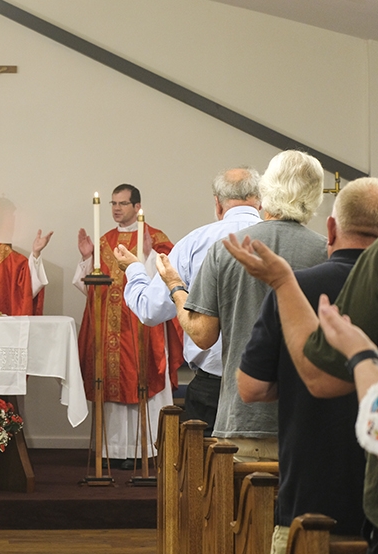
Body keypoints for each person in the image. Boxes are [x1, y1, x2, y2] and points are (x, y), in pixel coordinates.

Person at [231, 178, 378, 552]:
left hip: (313, 494)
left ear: (331, 229)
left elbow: (256, 387)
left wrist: (284, 283)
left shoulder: (300, 288)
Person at [157, 150, 327, 461]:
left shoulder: (226, 249)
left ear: (267, 193)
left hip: (242, 415)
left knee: (237, 507)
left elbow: (203, 334)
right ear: (315, 195)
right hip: (309, 420)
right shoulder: (327, 253)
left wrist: (175, 287)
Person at [115, 167, 262, 435]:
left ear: (217, 204)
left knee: (203, 470)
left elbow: (150, 309)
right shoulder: (287, 241)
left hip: (212, 387)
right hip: (272, 385)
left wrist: (134, 269)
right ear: (260, 200)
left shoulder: (197, 241)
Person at [74, 183, 181, 469]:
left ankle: (146, 449)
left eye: (122, 203)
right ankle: (114, 449)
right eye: (112, 204)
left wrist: (148, 256)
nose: (116, 209)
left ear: (137, 206)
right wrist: (87, 258)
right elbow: (90, 291)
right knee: (110, 383)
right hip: (109, 330)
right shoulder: (105, 241)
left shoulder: (156, 238)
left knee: (141, 379)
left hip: (142, 329)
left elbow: (169, 283)